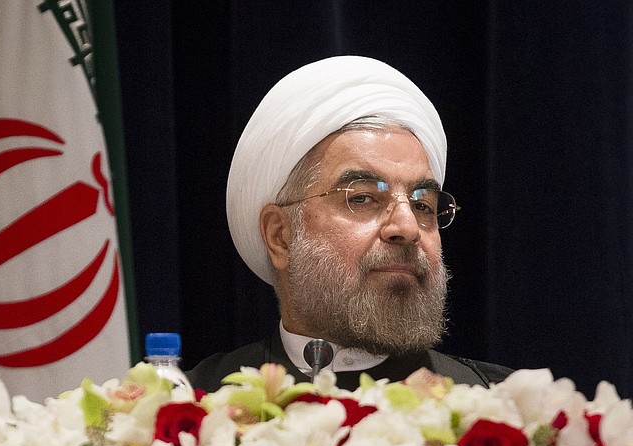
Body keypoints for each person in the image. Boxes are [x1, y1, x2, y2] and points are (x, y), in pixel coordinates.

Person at [185, 56, 512, 392]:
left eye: (422, 205)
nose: (408, 227)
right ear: (280, 236)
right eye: (362, 198)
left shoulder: (499, 406)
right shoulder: (191, 412)